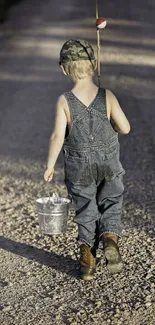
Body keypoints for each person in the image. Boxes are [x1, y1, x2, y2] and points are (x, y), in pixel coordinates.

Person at [44, 39, 130, 280]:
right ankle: (110, 238)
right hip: (109, 165)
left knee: (85, 208)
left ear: (64, 69)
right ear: (94, 64)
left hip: (79, 167)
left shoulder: (64, 100)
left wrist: (50, 165)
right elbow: (125, 128)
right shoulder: (107, 95)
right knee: (111, 200)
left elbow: (57, 136)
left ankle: (88, 261)